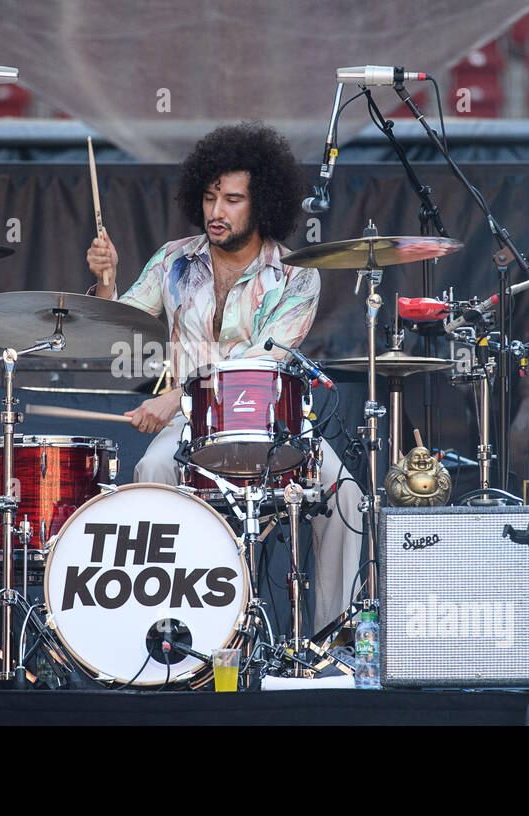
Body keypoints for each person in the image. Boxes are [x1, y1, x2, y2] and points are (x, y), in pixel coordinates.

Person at [85, 121, 363, 631]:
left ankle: (332, 637)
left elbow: (267, 358)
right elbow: (112, 325)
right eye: (212, 197)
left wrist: (176, 398)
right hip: (191, 428)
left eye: (233, 199)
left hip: (275, 423)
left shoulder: (298, 275)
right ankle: (167, 634)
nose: (217, 211)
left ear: (263, 205)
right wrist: (105, 283)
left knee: (345, 492)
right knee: (152, 473)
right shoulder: (173, 259)